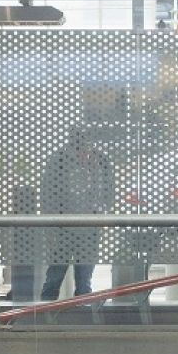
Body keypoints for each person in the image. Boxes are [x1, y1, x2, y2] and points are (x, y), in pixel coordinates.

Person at [39, 125, 115, 301]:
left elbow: (109, 192)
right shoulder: (58, 161)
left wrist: (100, 212)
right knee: (55, 275)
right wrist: (50, 227)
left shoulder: (100, 162)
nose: (84, 155)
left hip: (89, 227)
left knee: (84, 278)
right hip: (63, 227)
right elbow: (48, 195)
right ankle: (46, 313)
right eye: (80, 150)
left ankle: (82, 313)